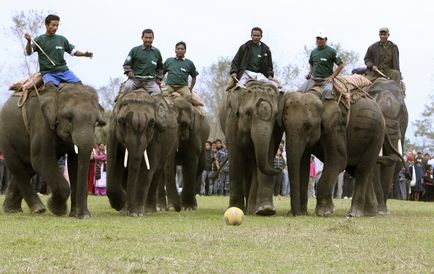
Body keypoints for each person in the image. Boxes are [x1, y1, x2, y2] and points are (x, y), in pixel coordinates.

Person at [24, 14, 93, 87]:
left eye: (57, 25)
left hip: (64, 71)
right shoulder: (39, 39)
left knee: (79, 85)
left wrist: (84, 54)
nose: (55, 28)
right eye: (53, 25)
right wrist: (28, 42)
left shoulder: (62, 39)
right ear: (46, 25)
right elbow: (28, 53)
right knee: (51, 88)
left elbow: (73, 51)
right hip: (48, 73)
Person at [121, 29, 163, 95]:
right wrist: (129, 71)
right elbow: (126, 64)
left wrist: (159, 78)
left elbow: (160, 68)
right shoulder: (134, 50)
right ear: (142, 38)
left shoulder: (157, 52)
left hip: (150, 82)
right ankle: (120, 103)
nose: (148, 40)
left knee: (157, 92)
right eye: (146, 38)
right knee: (127, 87)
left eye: (150, 38)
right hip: (135, 80)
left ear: (153, 38)